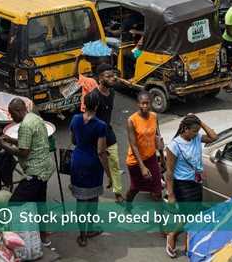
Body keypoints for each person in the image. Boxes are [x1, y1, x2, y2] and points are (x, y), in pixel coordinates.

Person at [0, 98, 55, 244]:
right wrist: (9, 139)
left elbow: (23, 152)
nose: (11, 118)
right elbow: (28, 143)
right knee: (40, 204)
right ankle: (44, 237)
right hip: (45, 169)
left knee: (13, 204)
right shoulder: (35, 118)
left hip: (35, 173)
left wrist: (3, 145)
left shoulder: (25, 126)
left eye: (11, 114)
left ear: (18, 111)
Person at [165, 114, 218, 258]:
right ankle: (172, 235)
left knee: (193, 215)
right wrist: (170, 195)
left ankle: (189, 242)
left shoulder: (196, 137)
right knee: (189, 217)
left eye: (197, 130)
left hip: (196, 182)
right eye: (194, 130)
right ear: (185, 129)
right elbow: (169, 172)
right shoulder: (174, 146)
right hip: (182, 185)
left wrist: (200, 122)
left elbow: (214, 137)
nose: (196, 133)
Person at [68, 90, 111, 247]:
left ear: (84, 104)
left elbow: (73, 140)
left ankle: (83, 236)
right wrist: (109, 175)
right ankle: (91, 229)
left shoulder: (75, 119)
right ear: (98, 105)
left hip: (78, 161)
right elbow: (101, 152)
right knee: (93, 199)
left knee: (81, 200)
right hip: (93, 165)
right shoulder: (100, 125)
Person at [124, 91, 164, 203]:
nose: (145, 106)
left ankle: (159, 219)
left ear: (151, 103)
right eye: (142, 103)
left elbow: (158, 137)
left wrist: (161, 157)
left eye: (147, 103)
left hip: (151, 158)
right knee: (135, 188)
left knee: (157, 190)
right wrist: (142, 167)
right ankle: (128, 207)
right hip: (136, 162)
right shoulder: (131, 120)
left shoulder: (154, 117)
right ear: (138, 104)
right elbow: (134, 145)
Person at [93, 63, 124, 202]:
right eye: (109, 76)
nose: (113, 78)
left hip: (108, 132)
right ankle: (94, 194)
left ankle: (118, 193)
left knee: (115, 163)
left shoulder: (112, 92)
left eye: (113, 75)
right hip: (95, 136)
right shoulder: (94, 97)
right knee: (96, 166)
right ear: (100, 78)